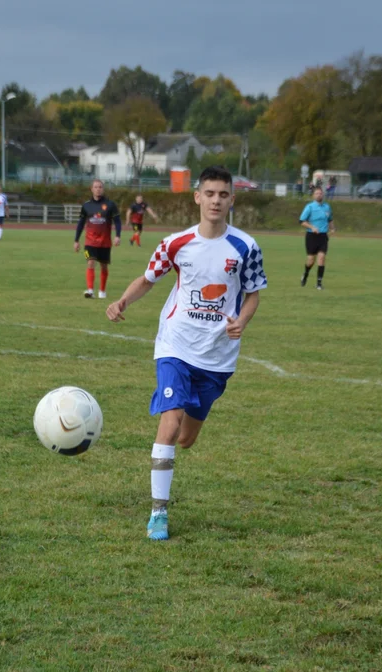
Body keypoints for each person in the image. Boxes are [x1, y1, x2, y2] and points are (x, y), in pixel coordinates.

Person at [105, 165, 268, 541]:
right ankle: (158, 514)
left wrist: (241, 320)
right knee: (171, 421)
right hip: (175, 344)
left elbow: (254, 293)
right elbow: (149, 279)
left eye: (223, 194)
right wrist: (123, 301)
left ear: (231, 200)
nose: (215, 200)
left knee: (186, 438)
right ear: (197, 197)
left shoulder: (246, 247)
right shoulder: (176, 243)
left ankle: (166, 470)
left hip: (217, 356)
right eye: (209, 193)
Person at [74, 179, 121, 299]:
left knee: (104, 266)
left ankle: (102, 291)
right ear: (91, 189)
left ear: (103, 189)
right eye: (96, 187)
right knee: (90, 263)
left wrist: (117, 236)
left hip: (105, 242)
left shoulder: (110, 205)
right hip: (90, 241)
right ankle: (90, 290)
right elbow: (80, 223)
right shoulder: (86, 205)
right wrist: (76, 240)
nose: (98, 189)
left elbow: (117, 221)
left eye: (100, 187)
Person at [299, 186, 335, 290]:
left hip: (323, 236)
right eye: (317, 193)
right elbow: (302, 221)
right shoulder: (309, 207)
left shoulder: (327, 207)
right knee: (311, 260)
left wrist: (332, 228)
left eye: (321, 193)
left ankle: (319, 283)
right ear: (313, 195)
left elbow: (330, 219)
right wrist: (312, 227)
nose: (319, 195)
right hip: (311, 236)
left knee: (322, 258)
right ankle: (305, 273)